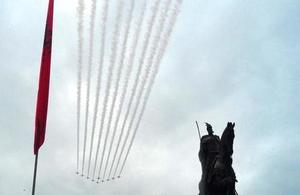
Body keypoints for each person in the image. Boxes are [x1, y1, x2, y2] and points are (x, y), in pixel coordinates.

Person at [198, 123, 221, 195]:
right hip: (210, 158)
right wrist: (203, 159)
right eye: (208, 129)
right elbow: (202, 151)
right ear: (207, 130)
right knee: (206, 173)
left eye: (210, 128)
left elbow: (222, 147)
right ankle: (204, 188)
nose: (209, 130)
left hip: (219, 156)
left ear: (212, 129)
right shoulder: (204, 138)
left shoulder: (217, 137)